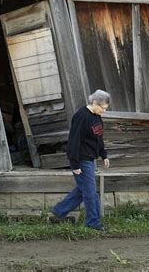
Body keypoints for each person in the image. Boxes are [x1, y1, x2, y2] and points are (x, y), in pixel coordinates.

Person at [51, 89, 111, 231]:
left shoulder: (97, 116)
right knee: (90, 192)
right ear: (95, 102)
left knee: (84, 189)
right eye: (103, 108)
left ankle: (59, 211)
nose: (104, 111)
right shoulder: (81, 116)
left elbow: (98, 137)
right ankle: (93, 223)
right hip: (81, 160)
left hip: (91, 159)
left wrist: (104, 155)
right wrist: (75, 163)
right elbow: (73, 141)